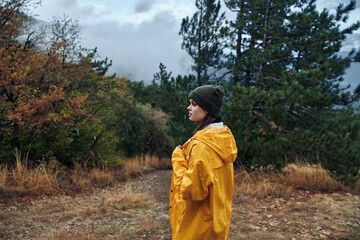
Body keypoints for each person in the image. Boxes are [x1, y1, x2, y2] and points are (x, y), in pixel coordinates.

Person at [169, 85, 238, 240]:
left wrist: (178, 158)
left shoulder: (202, 146)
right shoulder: (223, 138)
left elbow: (192, 192)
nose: (189, 107)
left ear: (207, 109)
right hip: (216, 221)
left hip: (196, 226)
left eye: (194, 104)